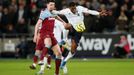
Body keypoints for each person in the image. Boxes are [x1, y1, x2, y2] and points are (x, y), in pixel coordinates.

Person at [52, 2, 107, 69]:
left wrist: (99, 13)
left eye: (75, 8)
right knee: (67, 25)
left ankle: (65, 61)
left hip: (79, 30)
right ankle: (64, 39)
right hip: (71, 28)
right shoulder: (66, 11)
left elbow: (89, 11)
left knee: (73, 50)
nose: (74, 9)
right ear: (69, 8)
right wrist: (49, 10)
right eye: (73, 9)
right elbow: (56, 12)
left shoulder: (80, 8)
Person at [29, 0, 68, 75]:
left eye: (53, 5)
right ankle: (41, 60)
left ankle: (56, 73)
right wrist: (35, 35)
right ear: (47, 5)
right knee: (48, 43)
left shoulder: (53, 13)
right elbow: (37, 25)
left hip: (51, 34)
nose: (52, 6)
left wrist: (64, 22)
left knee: (59, 53)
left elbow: (57, 17)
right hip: (44, 33)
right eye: (50, 5)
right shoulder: (44, 13)